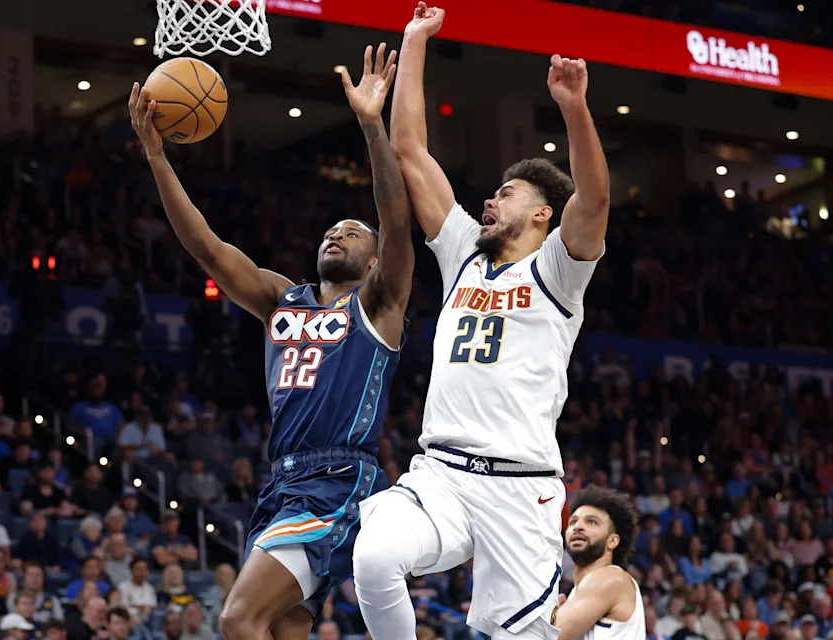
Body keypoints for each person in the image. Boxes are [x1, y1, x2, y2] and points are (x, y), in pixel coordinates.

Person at [131, 39, 412, 640]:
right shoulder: (282, 298)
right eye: (331, 230)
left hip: (337, 480)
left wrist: (371, 125)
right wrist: (157, 157)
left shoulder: (379, 302)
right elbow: (208, 249)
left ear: (372, 261)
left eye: (352, 233)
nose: (337, 235)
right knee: (279, 630)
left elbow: (396, 222)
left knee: (238, 618)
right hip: (281, 482)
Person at [353, 4, 609, 640]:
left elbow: (595, 198)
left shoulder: (558, 270)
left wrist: (574, 108)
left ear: (544, 215)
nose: (491, 199)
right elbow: (410, 150)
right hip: (441, 472)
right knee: (375, 556)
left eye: (508, 194)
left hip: (521, 488)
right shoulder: (464, 253)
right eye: (493, 192)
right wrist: (415, 39)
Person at [545, 486, 643, 640]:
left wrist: (546, 616)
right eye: (573, 522)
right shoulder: (577, 595)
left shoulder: (612, 578)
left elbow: (546, 637)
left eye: (591, 522)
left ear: (612, 541)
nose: (578, 527)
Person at [118, 558, 157, 624]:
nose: (141, 572)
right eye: (138, 569)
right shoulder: (123, 587)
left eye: (144, 569)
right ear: (131, 571)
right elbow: (123, 607)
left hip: (149, 619)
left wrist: (139, 607)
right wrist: (142, 607)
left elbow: (154, 606)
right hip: (130, 619)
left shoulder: (150, 588)